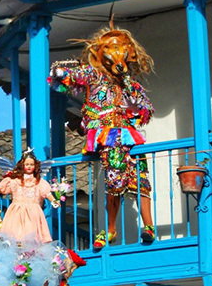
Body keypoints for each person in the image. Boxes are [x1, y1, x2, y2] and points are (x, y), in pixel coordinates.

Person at [49, 25, 156, 247]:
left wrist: (135, 105)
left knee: (141, 183)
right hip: (110, 137)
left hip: (129, 137)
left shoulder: (129, 84)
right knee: (114, 182)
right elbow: (76, 75)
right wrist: (62, 73)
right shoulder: (96, 76)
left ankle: (149, 226)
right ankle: (110, 230)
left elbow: (145, 110)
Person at [0, 152, 59, 243]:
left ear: (35, 166)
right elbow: (3, 189)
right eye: (27, 164)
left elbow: (46, 193)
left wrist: (53, 200)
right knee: (15, 234)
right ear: (22, 166)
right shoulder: (15, 181)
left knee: (31, 233)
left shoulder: (39, 182)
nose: (29, 167)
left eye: (31, 165)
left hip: (33, 212)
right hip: (17, 211)